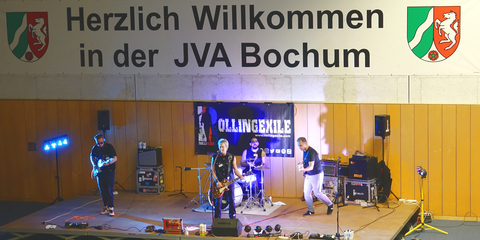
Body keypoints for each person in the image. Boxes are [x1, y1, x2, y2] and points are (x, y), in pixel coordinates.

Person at [297, 137, 334, 216]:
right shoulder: (304, 151)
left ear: (305, 143)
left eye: (300, 145)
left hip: (316, 174)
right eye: (298, 146)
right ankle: (311, 210)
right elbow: (306, 163)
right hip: (309, 175)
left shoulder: (311, 152)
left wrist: (303, 170)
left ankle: (330, 204)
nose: (299, 147)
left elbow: (311, 167)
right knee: (306, 193)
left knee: (317, 193)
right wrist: (303, 168)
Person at [211, 138, 243, 219]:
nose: (221, 148)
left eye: (222, 147)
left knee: (231, 200)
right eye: (219, 146)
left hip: (229, 181)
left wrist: (240, 176)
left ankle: (232, 217)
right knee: (218, 202)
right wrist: (217, 181)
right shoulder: (215, 157)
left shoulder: (231, 157)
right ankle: (217, 218)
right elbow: (213, 171)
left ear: (226, 147)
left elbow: (235, 169)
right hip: (219, 182)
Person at [90, 134, 117, 217]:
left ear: (104, 140)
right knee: (102, 190)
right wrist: (94, 166)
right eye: (98, 143)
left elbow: (115, 158)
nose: (100, 145)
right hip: (100, 172)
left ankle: (111, 208)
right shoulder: (95, 148)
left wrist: (108, 163)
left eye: (101, 143)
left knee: (109, 190)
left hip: (109, 171)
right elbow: (91, 156)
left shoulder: (109, 147)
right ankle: (106, 206)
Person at [240, 137, 266, 202]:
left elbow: (264, 163)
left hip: (258, 170)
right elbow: (242, 163)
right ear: (250, 144)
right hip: (249, 170)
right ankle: (247, 197)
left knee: (260, 181)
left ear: (258, 143)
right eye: (253, 142)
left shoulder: (262, 152)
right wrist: (248, 164)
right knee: (246, 181)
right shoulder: (246, 151)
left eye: (256, 141)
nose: (255, 143)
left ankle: (260, 198)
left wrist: (259, 166)